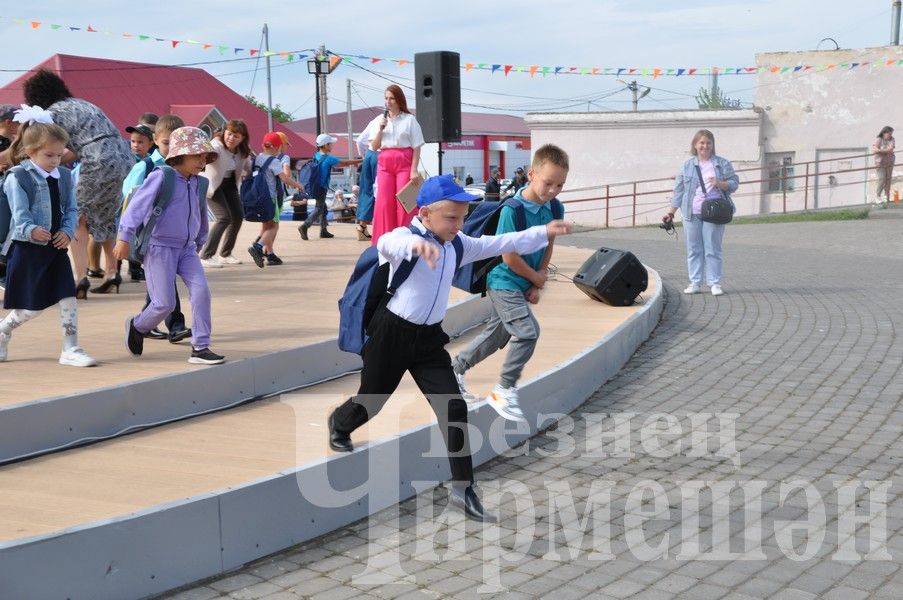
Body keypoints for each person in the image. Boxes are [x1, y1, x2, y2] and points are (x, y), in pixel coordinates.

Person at [326, 174, 572, 522]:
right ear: (425, 213)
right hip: (390, 336)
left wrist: (544, 232)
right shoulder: (406, 238)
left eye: (462, 217)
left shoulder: (458, 243)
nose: (459, 225)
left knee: (453, 409)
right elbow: (385, 243)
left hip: (428, 341)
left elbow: (502, 241)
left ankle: (462, 489)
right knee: (372, 401)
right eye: (451, 218)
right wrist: (415, 246)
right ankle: (339, 423)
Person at [453, 145, 569, 421]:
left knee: (499, 334)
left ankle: (454, 369)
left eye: (560, 185)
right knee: (528, 332)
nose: (553, 190)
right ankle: (503, 389)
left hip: (524, 281)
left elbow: (548, 244)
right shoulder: (512, 210)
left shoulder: (555, 207)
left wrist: (538, 281)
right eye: (548, 183)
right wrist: (534, 277)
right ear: (531, 174)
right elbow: (508, 257)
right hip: (503, 280)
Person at [115, 126, 225, 365]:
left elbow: (199, 213)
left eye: (204, 156)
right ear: (179, 155)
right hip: (159, 247)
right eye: (197, 155)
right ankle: (137, 325)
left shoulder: (198, 183)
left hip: (187, 249)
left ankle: (200, 347)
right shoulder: (161, 176)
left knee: (201, 293)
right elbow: (137, 207)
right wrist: (124, 237)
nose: (202, 161)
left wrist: (200, 239)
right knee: (164, 304)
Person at [23, 69, 134, 301]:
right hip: (122, 158)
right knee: (104, 215)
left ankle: (80, 277)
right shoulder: (82, 104)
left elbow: (47, 148)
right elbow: (78, 147)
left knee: (76, 217)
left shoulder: (52, 113)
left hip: (97, 160)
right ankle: (112, 273)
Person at [0, 106, 96, 367]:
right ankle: (3, 330)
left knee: (68, 296)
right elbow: (19, 215)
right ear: (30, 152)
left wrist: (66, 231)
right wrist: (31, 230)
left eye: (59, 154)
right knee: (33, 307)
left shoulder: (64, 176)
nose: (56, 160)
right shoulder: (17, 177)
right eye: (49, 155)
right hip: (28, 250)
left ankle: (71, 348)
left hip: (55, 248)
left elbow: (72, 208)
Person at [119, 114, 191, 344]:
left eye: (176, 143)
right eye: (166, 143)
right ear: (155, 141)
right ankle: (176, 324)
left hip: (174, 235)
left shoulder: (183, 167)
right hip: (152, 235)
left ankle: (144, 322)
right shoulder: (147, 166)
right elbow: (129, 195)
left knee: (160, 284)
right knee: (165, 282)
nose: (171, 148)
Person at [663, 129, 739, 297]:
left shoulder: (721, 163)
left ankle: (714, 283)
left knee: (713, 248)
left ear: (712, 145)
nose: (705, 146)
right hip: (691, 213)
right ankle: (695, 282)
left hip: (714, 212)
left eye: (708, 143)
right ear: (695, 145)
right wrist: (671, 213)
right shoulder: (687, 165)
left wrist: (720, 183)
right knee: (694, 249)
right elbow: (679, 191)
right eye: (702, 143)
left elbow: (734, 183)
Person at [366, 85, 425, 244]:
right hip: (385, 162)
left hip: (404, 161)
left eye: (391, 98)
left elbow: (417, 146)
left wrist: (414, 169)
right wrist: (380, 129)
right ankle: (384, 241)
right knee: (384, 202)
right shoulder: (379, 120)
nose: (388, 102)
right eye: (386, 98)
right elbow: (374, 146)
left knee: (405, 202)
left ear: (399, 100)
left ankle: (407, 240)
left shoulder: (409, 119)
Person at [199, 119, 251, 267]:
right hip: (213, 185)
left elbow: (247, 165)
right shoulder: (216, 146)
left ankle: (225, 254)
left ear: (242, 138)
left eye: (236, 136)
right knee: (224, 218)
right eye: (229, 134)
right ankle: (206, 255)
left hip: (230, 184)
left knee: (238, 216)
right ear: (224, 133)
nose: (231, 138)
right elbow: (206, 153)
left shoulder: (242, 151)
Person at [248, 132, 304, 267]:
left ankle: (269, 253)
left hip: (257, 198)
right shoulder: (275, 161)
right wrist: (297, 185)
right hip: (270, 199)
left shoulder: (257, 159)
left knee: (266, 226)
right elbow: (284, 178)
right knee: (274, 226)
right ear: (278, 147)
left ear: (263, 145)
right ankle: (258, 246)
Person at [298, 133, 359, 241]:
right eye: (330, 144)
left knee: (323, 208)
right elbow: (344, 163)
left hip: (315, 185)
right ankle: (305, 226)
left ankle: (323, 230)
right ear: (325, 145)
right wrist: (359, 161)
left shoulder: (316, 155)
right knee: (319, 208)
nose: (332, 146)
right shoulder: (328, 158)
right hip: (322, 187)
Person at [354, 127, 377, 240]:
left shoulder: (374, 121)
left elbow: (359, 141)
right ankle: (381, 227)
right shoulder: (394, 120)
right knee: (381, 191)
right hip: (382, 155)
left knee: (366, 191)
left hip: (369, 155)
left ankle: (362, 226)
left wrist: (364, 156)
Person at [872, 126, 896, 206]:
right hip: (880, 163)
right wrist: (884, 151)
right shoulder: (879, 139)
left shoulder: (892, 139)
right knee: (882, 179)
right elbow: (875, 150)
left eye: (891, 133)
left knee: (888, 180)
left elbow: (890, 149)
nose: (890, 135)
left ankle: (886, 196)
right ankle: (878, 196)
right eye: (889, 133)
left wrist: (880, 150)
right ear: (884, 133)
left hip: (889, 162)